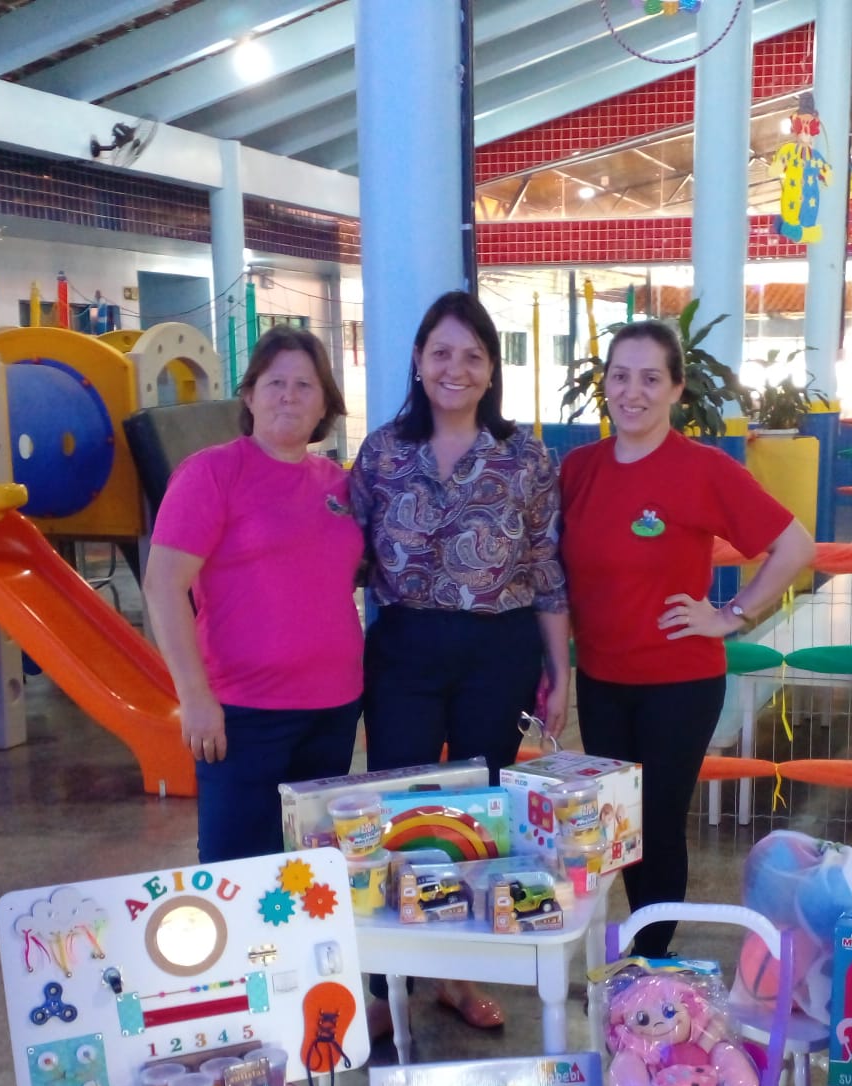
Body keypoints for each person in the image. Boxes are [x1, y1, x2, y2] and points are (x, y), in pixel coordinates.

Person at [559, 319, 815, 960]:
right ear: (605, 384)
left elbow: (795, 546)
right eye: (621, 376)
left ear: (676, 389)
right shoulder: (579, 470)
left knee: (657, 822)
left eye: (651, 378)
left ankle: (649, 961)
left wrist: (733, 614)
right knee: (620, 827)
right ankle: (639, 954)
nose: (633, 392)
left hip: (679, 683)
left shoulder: (702, 469)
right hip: (602, 681)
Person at [352, 290, 570, 1029]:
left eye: (473, 355)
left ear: (492, 369)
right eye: (441, 352)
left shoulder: (525, 456)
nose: (456, 368)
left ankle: (457, 972)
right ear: (418, 360)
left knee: (480, 813)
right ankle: (389, 986)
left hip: (497, 651)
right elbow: (343, 555)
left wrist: (561, 674)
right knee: (399, 811)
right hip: (404, 650)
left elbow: (546, 569)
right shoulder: (383, 452)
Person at [144, 325, 362, 863]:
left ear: (324, 406)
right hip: (244, 713)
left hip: (334, 710)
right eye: (275, 383)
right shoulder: (212, 473)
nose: (289, 396)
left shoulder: (338, 484)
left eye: (305, 386)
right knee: (236, 873)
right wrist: (194, 698)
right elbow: (163, 585)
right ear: (249, 395)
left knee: (312, 873)